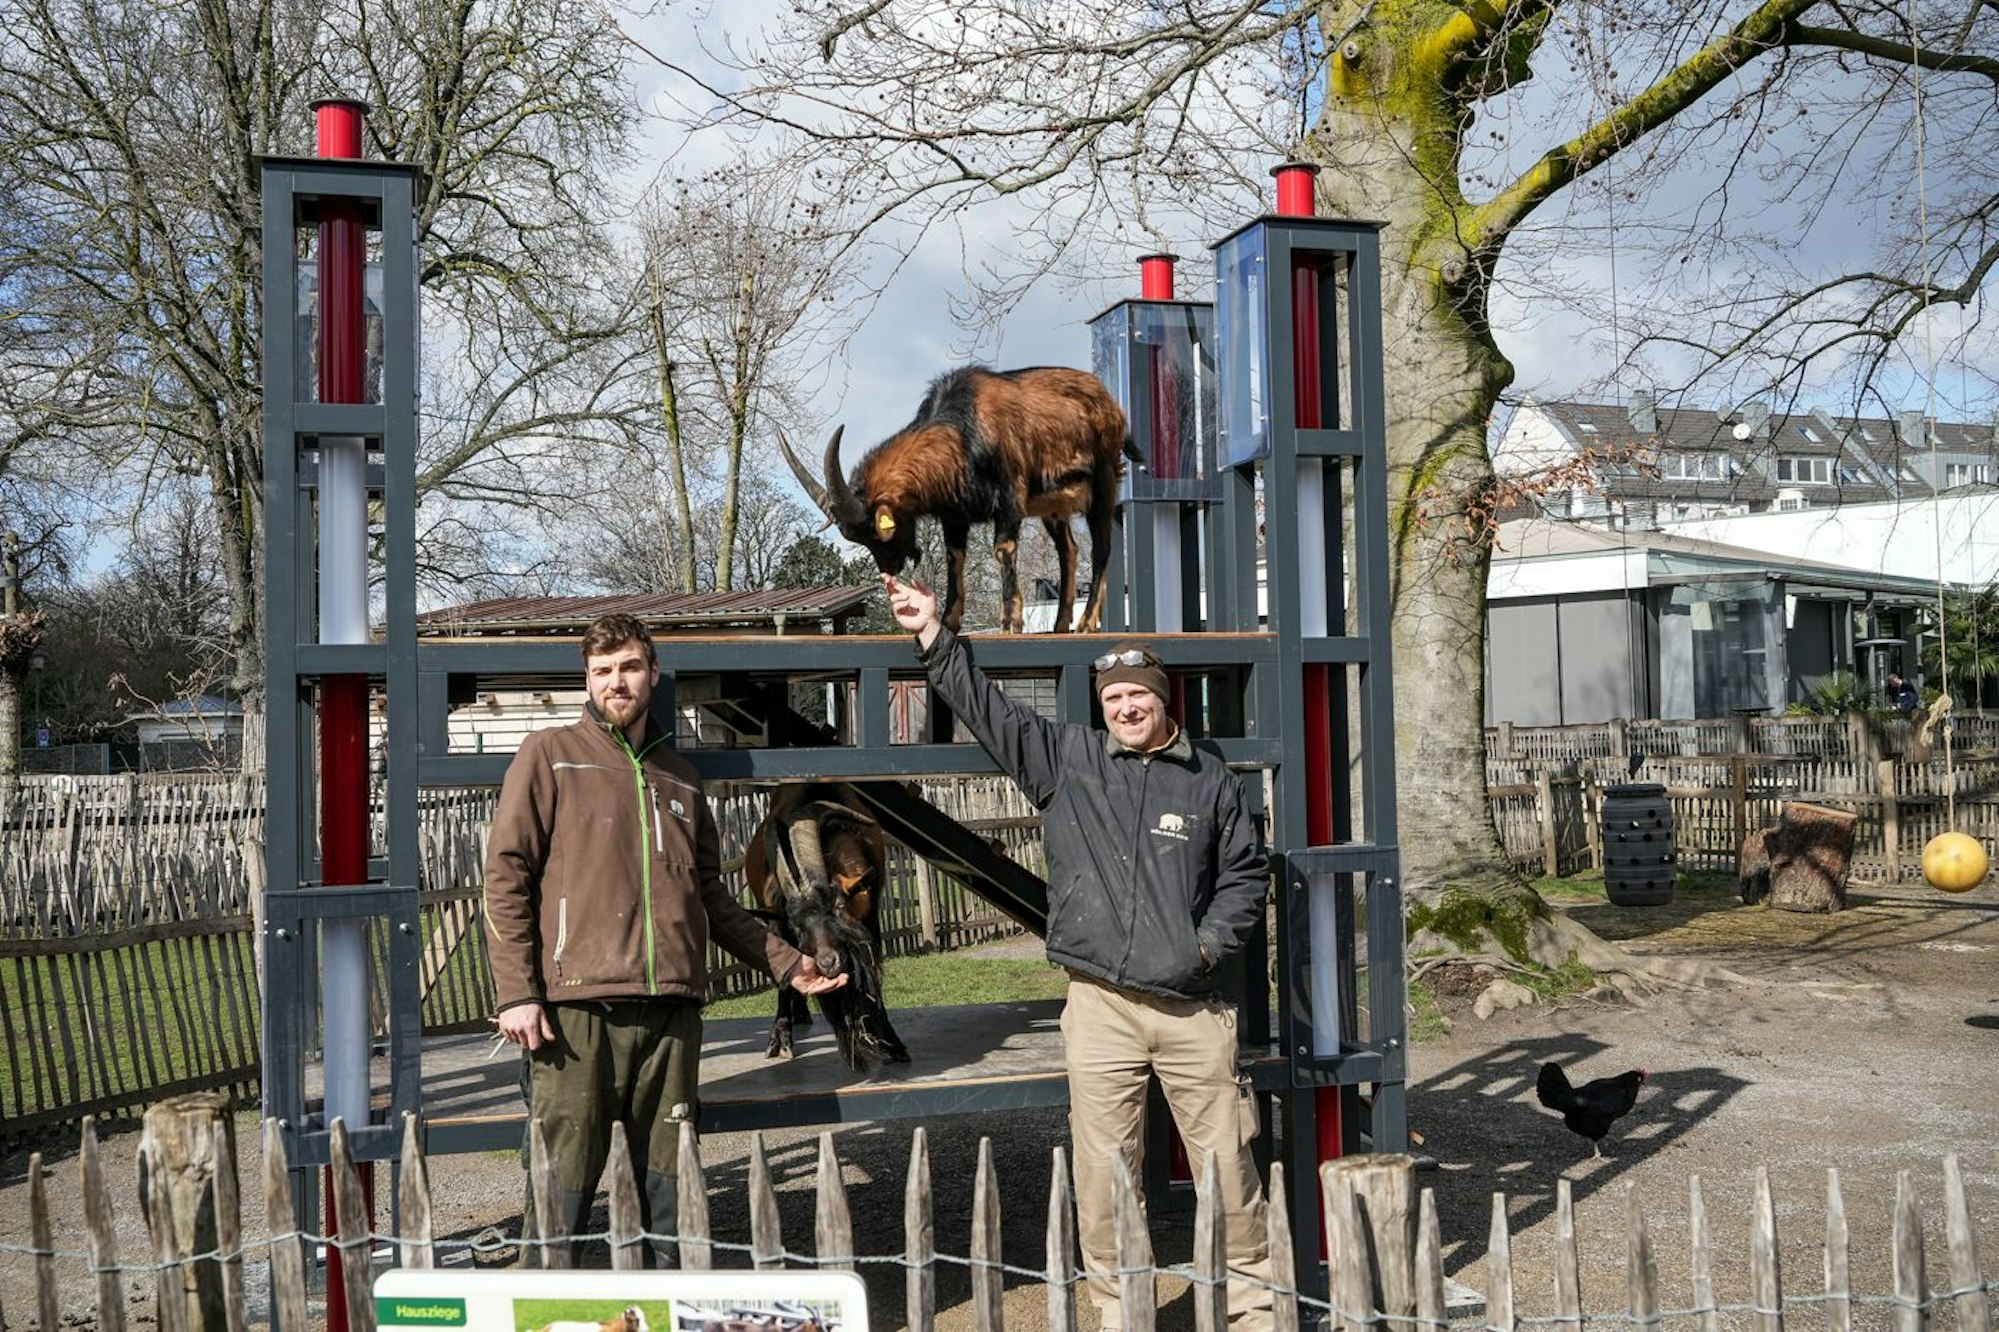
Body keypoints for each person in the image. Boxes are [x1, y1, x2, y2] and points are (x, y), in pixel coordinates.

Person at [884, 573, 1275, 1332]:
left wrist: (1204, 949)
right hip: (1098, 1008)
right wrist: (931, 632)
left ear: (1164, 701)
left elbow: (1243, 876)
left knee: (1228, 1171)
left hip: (1193, 1011)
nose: (1127, 708)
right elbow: (985, 710)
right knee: (1104, 1180)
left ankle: (1253, 1313)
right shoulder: (1066, 762)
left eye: (1139, 696)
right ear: (1101, 710)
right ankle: (1122, 1314)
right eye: (1113, 700)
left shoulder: (1210, 782)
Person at [484, 612, 844, 1263]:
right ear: (586, 680)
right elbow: (506, 874)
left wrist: (789, 965)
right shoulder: (549, 755)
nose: (615, 683)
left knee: (671, 1195)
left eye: (627, 668)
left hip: (672, 1012)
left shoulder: (681, 779)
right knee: (558, 1193)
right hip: (573, 1014)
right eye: (601, 672)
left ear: (652, 674)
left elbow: (709, 897)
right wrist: (517, 993)